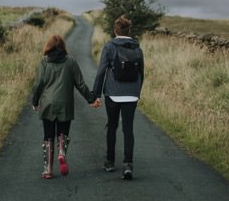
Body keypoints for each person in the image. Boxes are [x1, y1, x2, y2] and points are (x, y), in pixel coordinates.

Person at [30, 34, 96, 179]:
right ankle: (61, 152)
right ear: (63, 47)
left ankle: (47, 170)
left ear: (48, 46)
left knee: (48, 136)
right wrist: (91, 99)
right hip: (65, 103)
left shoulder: (44, 62)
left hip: (47, 104)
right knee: (63, 133)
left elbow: (38, 84)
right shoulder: (71, 62)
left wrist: (34, 101)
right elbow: (80, 84)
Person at [91, 15, 144, 180]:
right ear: (129, 30)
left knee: (112, 126)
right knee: (128, 129)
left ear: (115, 31)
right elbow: (141, 74)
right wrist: (136, 92)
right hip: (131, 94)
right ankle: (128, 165)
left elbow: (101, 72)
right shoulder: (137, 48)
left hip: (113, 93)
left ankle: (110, 161)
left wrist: (95, 95)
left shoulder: (109, 46)